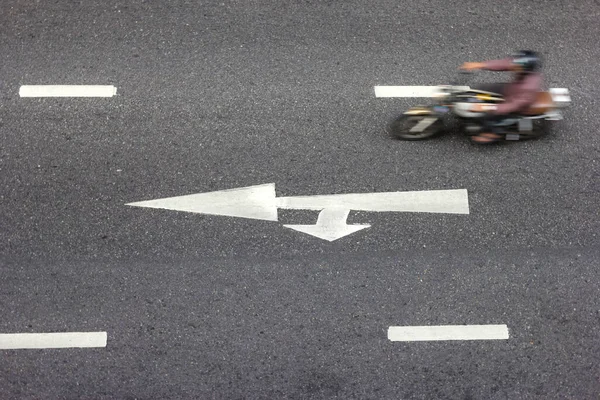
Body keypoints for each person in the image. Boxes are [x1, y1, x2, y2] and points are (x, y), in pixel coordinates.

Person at [460, 50, 543, 143]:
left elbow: (512, 106)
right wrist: (480, 65)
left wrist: (487, 107)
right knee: (481, 89)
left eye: (517, 65)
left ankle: (493, 134)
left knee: (488, 116)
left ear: (525, 69)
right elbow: (504, 63)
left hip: (516, 104)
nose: (513, 65)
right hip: (510, 90)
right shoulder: (520, 67)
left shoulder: (528, 88)